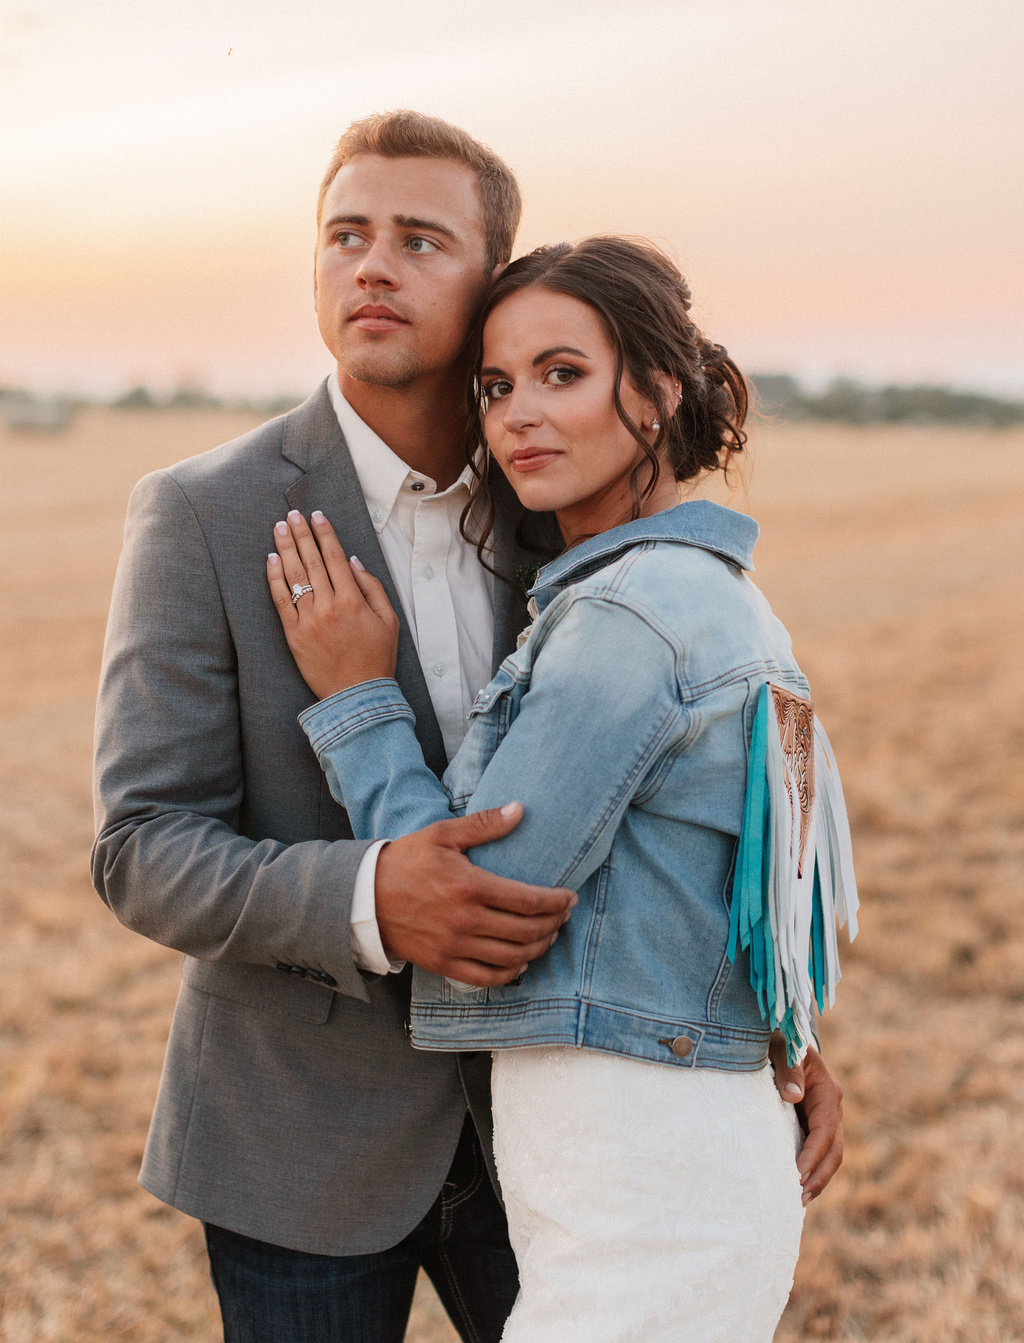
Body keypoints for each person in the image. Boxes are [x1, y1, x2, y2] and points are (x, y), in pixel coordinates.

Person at [92, 111, 843, 1343]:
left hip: (549, 1138)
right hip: (301, 1141)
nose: (371, 266)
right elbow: (143, 845)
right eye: (345, 236)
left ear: (491, 278)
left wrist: (769, 1016)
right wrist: (370, 896)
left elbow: (697, 805)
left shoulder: (565, 505)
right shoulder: (201, 513)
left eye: (418, 239)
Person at [266, 235, 860, 1343]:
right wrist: (785, 1031)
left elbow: (473, 904)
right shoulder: (729, 602)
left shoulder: (630, 620)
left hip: (643, 1179)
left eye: (562, 372)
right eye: (496, 385)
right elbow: (771, 890)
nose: (518, 414)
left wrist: (357, 700)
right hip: (687, 1151)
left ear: (656, 390)